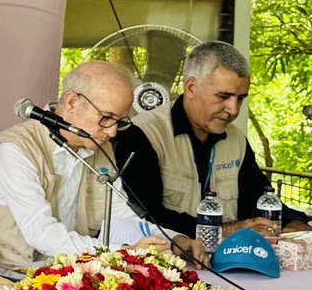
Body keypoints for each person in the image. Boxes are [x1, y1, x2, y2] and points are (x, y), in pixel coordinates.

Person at [0, 61, 193, 269]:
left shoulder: (99, 148)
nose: (112, 131)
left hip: (73, 275)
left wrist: (173, 240)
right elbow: (41, 232)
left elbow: (121, 216)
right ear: (72, 103)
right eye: (106, 117)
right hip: (6, 276)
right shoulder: (14, 150)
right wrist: (120, 253)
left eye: (120, 121)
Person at [112, 40, 298, 238]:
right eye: (223, 96)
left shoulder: (236, 140)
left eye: (240, 98)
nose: (233, 110)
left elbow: (259, 198)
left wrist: (295, 223)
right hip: (167, 254)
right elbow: (144, 216)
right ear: (191, 87)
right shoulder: (143, 134)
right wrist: (225, 230)